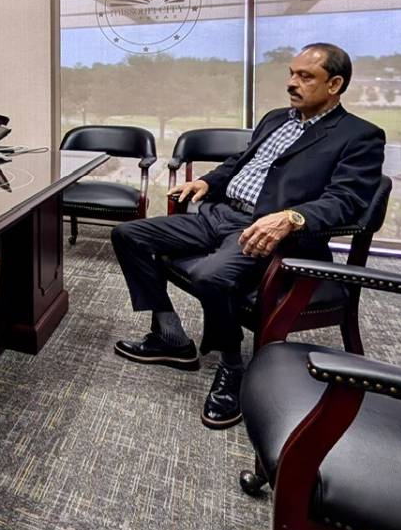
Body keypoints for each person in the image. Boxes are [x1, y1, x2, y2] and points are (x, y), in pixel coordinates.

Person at [110, 42, 385, 430]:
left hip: (265, 231)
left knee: (210, 276)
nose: (292, 83)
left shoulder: (360, 136)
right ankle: (171, 338)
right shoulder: (276, 119)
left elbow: (347, 201)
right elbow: (241, 162)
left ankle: (232, 366)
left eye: (305, 76)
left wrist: (292, 217)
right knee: (128, 235)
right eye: (291, 73)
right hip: (218, 215)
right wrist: (207, 182)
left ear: (335, 84)